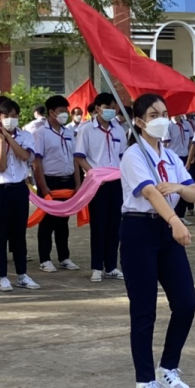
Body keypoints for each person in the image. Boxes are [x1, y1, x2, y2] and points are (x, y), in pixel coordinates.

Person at [119, 93, 195, 388]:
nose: (161, 119)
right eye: (153, 114)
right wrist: (175, 221)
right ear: (139, 121)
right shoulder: (133, 156)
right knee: (144, 311)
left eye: (164, 113)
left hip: (168, 233)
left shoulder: (170, 157)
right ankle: (144, 383)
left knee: (186, 303)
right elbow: (150, 192)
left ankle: (168, 367)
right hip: (140, 230)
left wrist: (180, 188)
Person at [0, 98, 39, 292]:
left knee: (19, 234)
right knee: (0, 235)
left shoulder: (25, 136)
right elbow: (0, 166)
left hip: (19, 189)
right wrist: (1, 141)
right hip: (0, 190)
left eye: (14, 116)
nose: (11, 120)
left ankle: (22, 274)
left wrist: (8, 138)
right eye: (6, 116)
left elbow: (25, 156)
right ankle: (2, 276)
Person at [75, 93, 127, 282]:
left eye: (113, 106)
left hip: (116, 181)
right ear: (97, 108)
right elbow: (80, 156)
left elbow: (122, 156)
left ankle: (111, 266)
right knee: (98, 225)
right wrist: (93, 173)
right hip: (96, 182)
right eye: (107, 106)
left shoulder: (119, 130)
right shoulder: (86, 130)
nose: (111, 110)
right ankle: (97, 266)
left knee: (115, 224)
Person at [33, 95, 81, 273]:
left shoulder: (68, 132)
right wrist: (43, 187)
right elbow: (37, 162)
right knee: (47, 221)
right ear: (51, 112)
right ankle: (44, 258)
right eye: (61, 111)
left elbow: (75, 159)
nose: (65, 115)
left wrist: (78, 182)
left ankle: (64, 257)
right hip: (50, 181)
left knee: (63, 220)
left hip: (67, 180)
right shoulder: (41, 133)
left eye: (66, 111)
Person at [167, 114, 194, 224]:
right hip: (172, 158)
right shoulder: (168, 125)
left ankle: (181, 214)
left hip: (184, 156)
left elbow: (191, 141)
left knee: (184, 185)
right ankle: (171, 214)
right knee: (173, 186)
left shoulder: (186, 124)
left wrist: (190, 157)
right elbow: (165, 143)